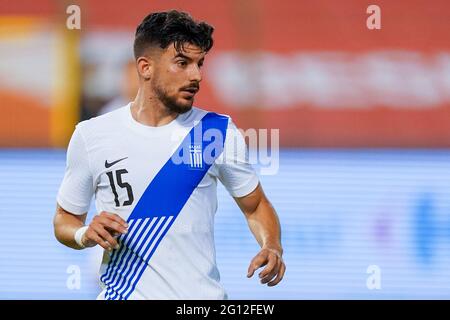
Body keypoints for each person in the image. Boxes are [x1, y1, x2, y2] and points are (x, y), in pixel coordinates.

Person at [53, 10, 285, 300]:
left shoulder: (214, 132)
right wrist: (83, 234)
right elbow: (64, 219)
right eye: (182, 63)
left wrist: (272, 245)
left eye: (199, 64)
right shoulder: (91, 135)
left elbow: (255, 206)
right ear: (145, 67)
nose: (196, 76)